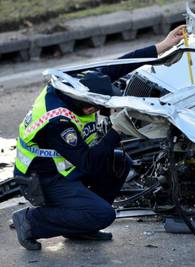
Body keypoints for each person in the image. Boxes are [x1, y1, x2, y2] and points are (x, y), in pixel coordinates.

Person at [12, 25, 185, 250]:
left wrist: (163, 46)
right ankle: (31, 222)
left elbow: (121, 64)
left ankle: (80, 227)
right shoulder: (58, 123)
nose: (99, 111)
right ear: (86, 104)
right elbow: (90, 163)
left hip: (63, 167)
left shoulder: (80, 85)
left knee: (119, 163)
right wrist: (116, 130)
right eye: (97, 108)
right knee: (104, 215)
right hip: (42, 179)